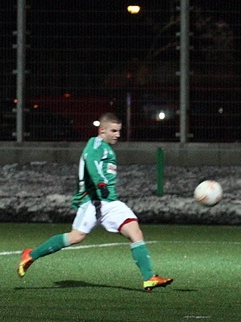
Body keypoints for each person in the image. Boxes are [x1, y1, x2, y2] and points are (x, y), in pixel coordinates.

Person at [17, 113, 173, 291]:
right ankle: (31, 255)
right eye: (113, 131)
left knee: (135, 231)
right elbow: (92, 162)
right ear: (102, 130)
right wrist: (100, 182)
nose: (117, 135)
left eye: (119, 131)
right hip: (92, 201)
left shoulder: (107, 148)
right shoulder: (96, 144)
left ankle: (149, 277)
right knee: (75, 237)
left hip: (110, 202)